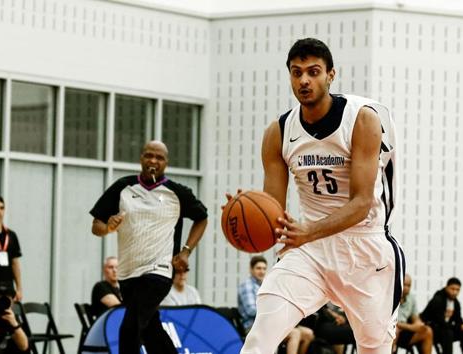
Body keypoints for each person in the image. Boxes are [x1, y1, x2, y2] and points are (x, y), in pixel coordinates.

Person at [229, 38, 404, 354]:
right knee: (260, 338)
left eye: (313, 72)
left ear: (331, 75)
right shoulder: (279, 132)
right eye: (296, 73)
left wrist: (308, 230)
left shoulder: (362, 119)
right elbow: (274, 212)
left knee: (373, 349)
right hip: (310, 251)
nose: (304, 80)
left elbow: (363, 203)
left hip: (365, 247)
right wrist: (248, 210)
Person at [90, 140, 208, 354]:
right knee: (151, 331)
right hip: (127, 273)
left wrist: (186, 251)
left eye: (159, 157)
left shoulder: (177, 192)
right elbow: (96, 226)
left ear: (166, 163)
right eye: (149, 155)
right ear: (141, 158)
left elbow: (202, 218)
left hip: (159, 270)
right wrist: (108, 227)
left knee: (129, 328)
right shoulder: (123, 187)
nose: (153, 160)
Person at [237, 256, 314, 354]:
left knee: (308, 334)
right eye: (258, 268)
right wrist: (274, 311)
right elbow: (251, 310)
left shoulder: (264, 284)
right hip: (253, 326)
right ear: (251, 269)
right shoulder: (247, 286)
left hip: (270, 323)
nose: (262, 271)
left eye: (264, 268)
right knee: (295, 333)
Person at [420, 277, 463, 354]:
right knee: (448, 333)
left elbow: (458, 320)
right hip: (432, 329)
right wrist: (460, 327)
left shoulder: (456, 303)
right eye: (453, 289)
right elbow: (440, 322)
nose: (455, 292)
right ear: (446, 288)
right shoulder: (438, 299)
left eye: (457, 290)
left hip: (445, 329)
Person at [395, 275, 432, 354]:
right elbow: (392, 322)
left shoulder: (411, 298)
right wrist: (411, 327)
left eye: (409, 285)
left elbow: (416, 318)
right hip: (391, 330)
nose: (406, 288)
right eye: (404, 284)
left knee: (427, 331)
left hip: (404, 331)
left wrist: (419, 325)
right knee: (395, 330)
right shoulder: (391, 296)